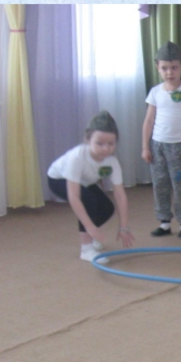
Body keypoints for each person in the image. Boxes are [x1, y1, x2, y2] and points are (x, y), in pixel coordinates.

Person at [47, 111, 135, 263]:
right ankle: (86, 249)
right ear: (88, 140)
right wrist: (89, 226)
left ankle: (91, 236)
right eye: (100, 143)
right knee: (89, 200)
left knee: (107, 208)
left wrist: (124, 227)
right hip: (58, 179)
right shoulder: (77, 157)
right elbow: (74, 196)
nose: (106, 149)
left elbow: (120, 195)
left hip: (85, 181)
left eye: (111, 144)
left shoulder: (112, 161)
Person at [142, 41, 181, 239]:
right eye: (165, 68)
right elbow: (148, 121)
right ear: (158, 68)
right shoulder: (155, 92)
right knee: (160, 184)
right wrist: (145, 147)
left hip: (180, 146)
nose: (169, 72)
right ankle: (164, 221)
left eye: (174, 67)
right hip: (157, 145)